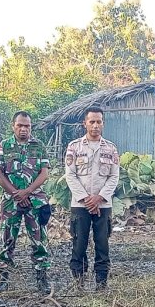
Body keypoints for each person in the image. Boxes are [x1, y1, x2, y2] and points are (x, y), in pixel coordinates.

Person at [0, 111, 52, 294]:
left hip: (35, 202)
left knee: (39, 240)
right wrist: (15, 193)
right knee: (7, 241)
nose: (23, 129)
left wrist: (27, 192)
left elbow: (44, 173)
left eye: (27, 126)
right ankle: (3, 279)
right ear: (13, 126)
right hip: (11, 202)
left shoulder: (39, 146)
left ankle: (42, 279)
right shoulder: (4, 146)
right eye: (20, 125)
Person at [64, 106, 120, 290]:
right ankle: (78, 282)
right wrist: (86, 199)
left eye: (99, 122)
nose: (95, 125)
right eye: (92, 122)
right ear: (85, 124)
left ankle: (101, 284)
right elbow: (70, 175)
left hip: (103, 206)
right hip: (80, 205)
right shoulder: (74, 147)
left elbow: (114, 176)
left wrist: (100, 198)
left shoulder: (110, 148)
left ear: (103, 124)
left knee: (102, 245)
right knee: (79, 244)